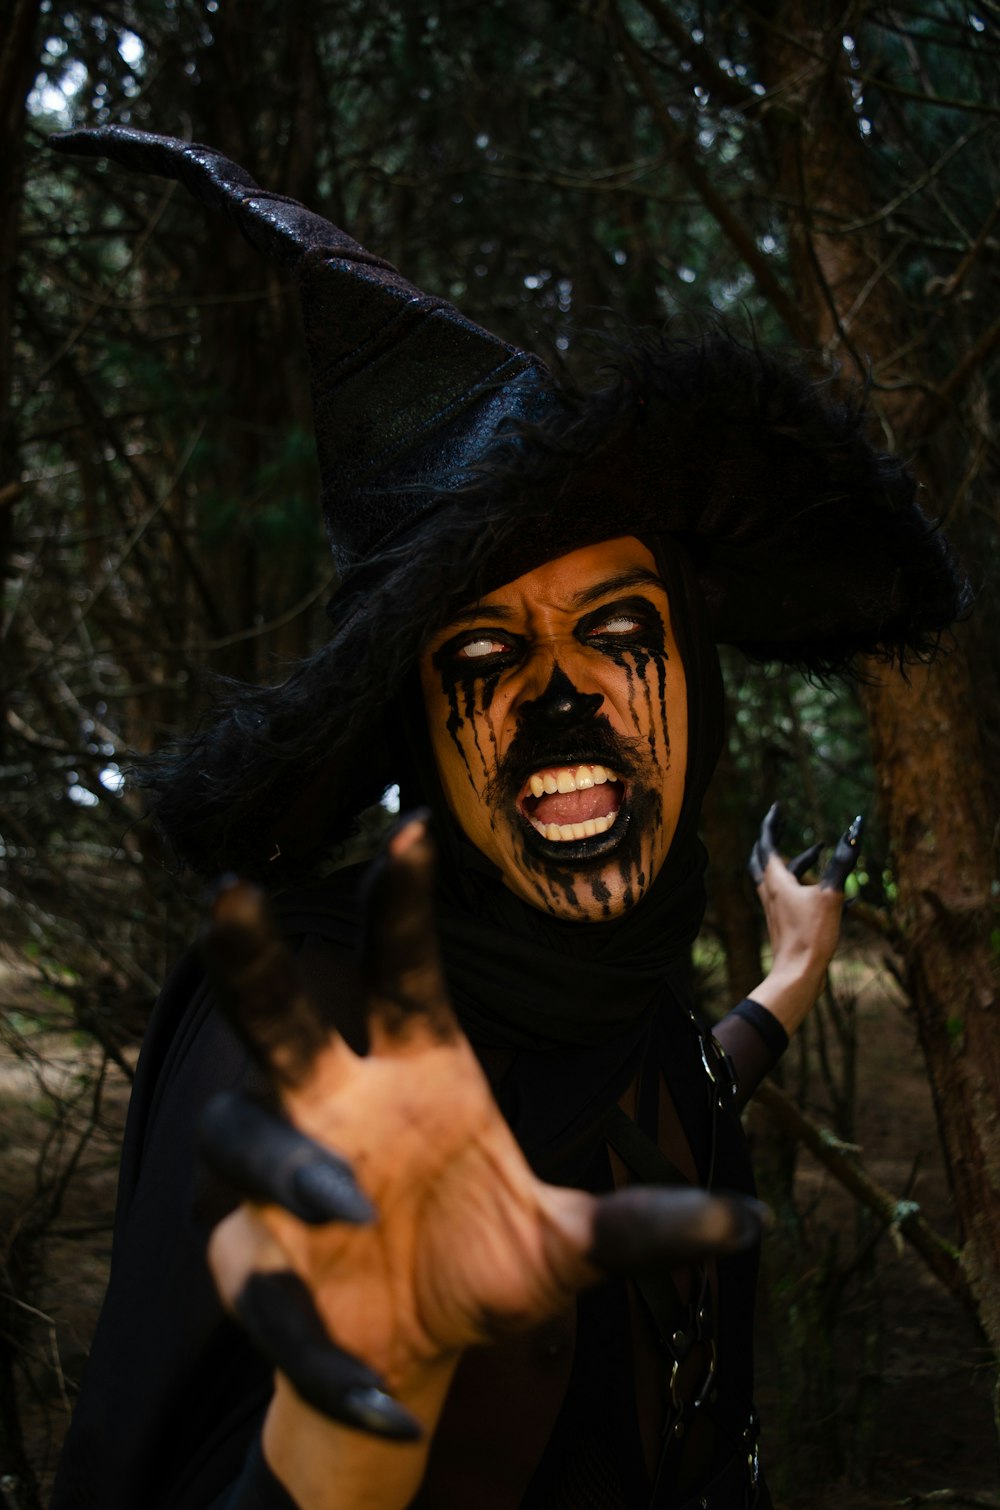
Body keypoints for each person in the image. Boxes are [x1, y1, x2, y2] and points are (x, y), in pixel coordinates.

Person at [48, 128, 966, 1510]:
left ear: (696, 687)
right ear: (421, 726)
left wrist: (786, 979)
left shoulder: (630, 981)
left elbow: (649, 1082)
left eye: (613, 631)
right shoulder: (313, 1017)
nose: (557, 702)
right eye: (482, 659)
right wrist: (360, 1403)